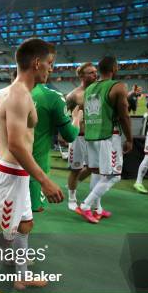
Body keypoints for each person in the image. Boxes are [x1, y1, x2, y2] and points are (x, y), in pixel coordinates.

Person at [0, 38, 64, 293]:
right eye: (49, 64)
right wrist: (45, 180)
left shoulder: (12, 93)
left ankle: (21, 278)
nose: (50, 69)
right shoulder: (16, 95)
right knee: (2, 237)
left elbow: (2, 133)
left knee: (25, 225)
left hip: (17, 176)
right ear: (36, 63)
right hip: (11, 176)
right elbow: (13, 143)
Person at [76, 56, 132, 223]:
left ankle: (97, 208)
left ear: (99, 71)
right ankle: (85, 206)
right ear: (114, 68)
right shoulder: (118, 87)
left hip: (91, 135)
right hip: (109, 136)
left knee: (97, 172)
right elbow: (124, 115)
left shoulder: (90, 88)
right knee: (114, 176)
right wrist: (129, 138)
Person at [29, 78, 82, 213]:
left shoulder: (7, 94)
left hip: (8, 168)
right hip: (36, 167)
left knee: (9, 217)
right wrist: (76, 119)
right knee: (28, 220)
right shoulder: (52, 96)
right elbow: (69, 135)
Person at [66, 62, 98, 210]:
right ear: (81, 75)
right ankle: (72, 198)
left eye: (95, 72)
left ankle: (73, 184)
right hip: (78, 136)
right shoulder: (73, 95)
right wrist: (64, 134)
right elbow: (65, 117)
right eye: (91, 72)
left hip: (95, 136)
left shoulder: (100, 91)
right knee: (75, 169)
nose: (95, 74)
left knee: (94, 167)